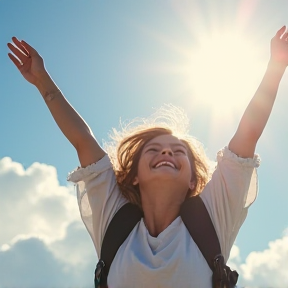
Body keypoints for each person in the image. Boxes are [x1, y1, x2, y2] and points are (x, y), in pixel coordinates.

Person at [7, 26, 288, 287]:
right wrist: (41, 80)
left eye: (179, 152)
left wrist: (276, 67)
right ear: (135, 175)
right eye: (153, 150)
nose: (167, 151)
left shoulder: (213, 216)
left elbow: (248, 133)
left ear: (193, 180)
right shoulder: (114, 219)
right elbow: (83, 141)